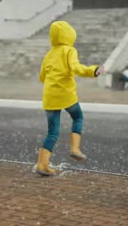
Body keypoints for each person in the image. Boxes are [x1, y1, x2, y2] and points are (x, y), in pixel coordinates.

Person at [35, 20, 105, 176]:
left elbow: (42, 77)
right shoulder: (69, 51)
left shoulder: (49, 54)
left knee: (52, 132)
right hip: (66, 95)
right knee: (78, 117)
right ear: (69, 35)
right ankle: (75, 148)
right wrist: (93, 70)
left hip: (49, 97)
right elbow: (76, 68)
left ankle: (42, 164)